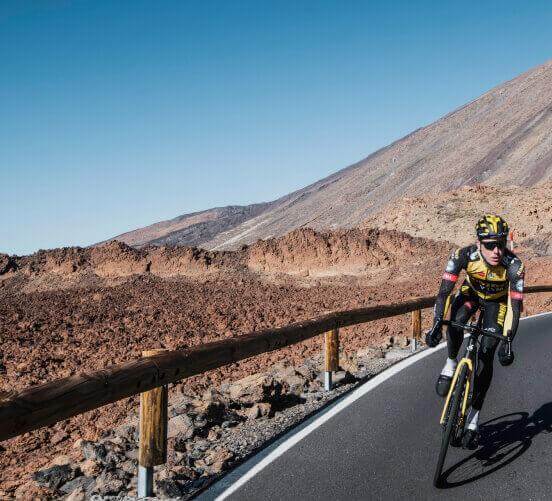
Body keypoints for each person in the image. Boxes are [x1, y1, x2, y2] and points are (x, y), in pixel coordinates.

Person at [426, 214, 524, 448]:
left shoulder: (514, 266)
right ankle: (450, 364)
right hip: (471, 295)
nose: (496, 251)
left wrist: (507, 340)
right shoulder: (463, 255)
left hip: (496, 304)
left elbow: (514, 307)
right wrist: (436, 324)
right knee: (456, 320)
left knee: (487, 352)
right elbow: (444, 294)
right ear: (479, 243)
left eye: (500, 244)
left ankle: (473, 419)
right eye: (490, 245)